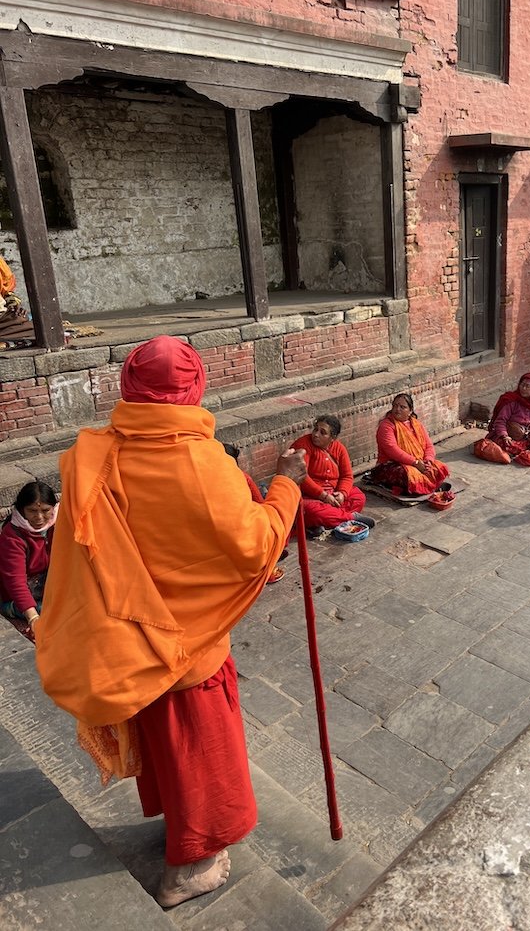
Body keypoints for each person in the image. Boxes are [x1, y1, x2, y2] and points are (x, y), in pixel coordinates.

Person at [35, 335, 306, 907]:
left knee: (169, 746)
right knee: (204, 754)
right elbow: (257, 547)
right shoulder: (203, 464)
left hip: (129, 639)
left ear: (130, 388)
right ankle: (193, 865)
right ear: (194, 390)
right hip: (187, 648)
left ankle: (180, 829)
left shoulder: (91, 453)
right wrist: (285, 485)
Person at [291, 415, 374, 534]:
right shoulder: (303, 445)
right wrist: (323, 496)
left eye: (322, 432)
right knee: (310, 511)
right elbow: (302, 477)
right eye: (315, 429)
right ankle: (351, 518)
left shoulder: (339, 449)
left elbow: (346, 476)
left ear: (332, 437)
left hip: (333, 494)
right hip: (309, 497)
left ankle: (324, 522)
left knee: (359, 497)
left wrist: (342, 494)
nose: (316, 434)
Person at [0, 481, 57, 640]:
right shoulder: (12, 536)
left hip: (48, 582)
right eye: (32, 511)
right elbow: (16, 581)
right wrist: (33, 618)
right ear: (21, 509)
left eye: (45, 510)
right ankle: (11, 608)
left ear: (53, 508)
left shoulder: (57, 525)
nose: (39, 518)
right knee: (51, 611)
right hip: (22, 591)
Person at [223, 442, 286, 581]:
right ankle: (266, 567)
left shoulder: (207, 481)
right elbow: (261, 504)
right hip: (241, 528)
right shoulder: (243, 478)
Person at [371, 393, 450, 495]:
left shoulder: (417, 424)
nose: (397, 409)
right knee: (408, 475)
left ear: (410, 411)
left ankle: (423, 486)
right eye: (395, 406)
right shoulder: (386, 425)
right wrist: (415, 463)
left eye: (402, 407)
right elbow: (392, 450)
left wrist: (428, 462)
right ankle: (421, 487)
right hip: (391, 464)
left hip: (419, 462)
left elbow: (428, 445)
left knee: (439, 467)